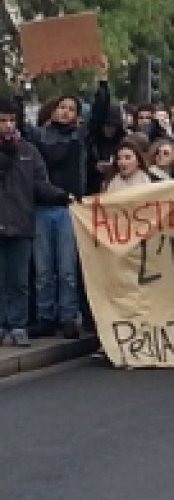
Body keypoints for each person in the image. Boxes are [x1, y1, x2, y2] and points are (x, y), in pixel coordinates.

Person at [26, 82, 108, 340]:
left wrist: (102, 83)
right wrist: (22, 89)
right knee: (43, 269)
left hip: (69, 207)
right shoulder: (39, 137)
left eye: (71, 109)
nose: (65, 112)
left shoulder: (80, 137)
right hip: (42, 206)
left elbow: (99, 115)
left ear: (77, 115)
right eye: (61, 107)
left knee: (67, 268)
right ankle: (45, 317)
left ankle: (68, 317)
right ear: (53, 111)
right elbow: (19, 125)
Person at [0, 98, 69, 346]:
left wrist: (61, 195)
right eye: (2, 120)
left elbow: (40, 184)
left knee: (18, 280)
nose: (7, 126)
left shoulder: (28, 151)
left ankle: (17, 325)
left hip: (20, 223)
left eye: (11, 120)